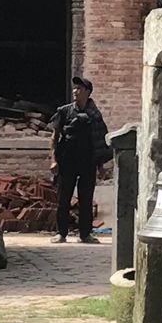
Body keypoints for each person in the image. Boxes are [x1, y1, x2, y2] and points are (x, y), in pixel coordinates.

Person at [49, 75, 111, 244]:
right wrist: (53, 160)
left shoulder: (95, 114)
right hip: (67, 159)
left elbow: (99, 141)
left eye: (80, 89)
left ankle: (85, 234)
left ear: (88, 92)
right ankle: (60, 233)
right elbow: (55, 137)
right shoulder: (64, 111)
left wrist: (101, 166)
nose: (75, 91)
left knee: (86, 198)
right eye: (74, 88)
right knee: (63, 197)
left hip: (88, 160)